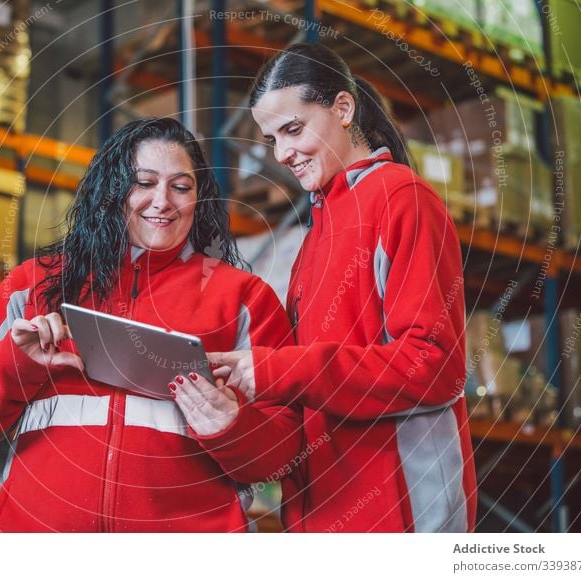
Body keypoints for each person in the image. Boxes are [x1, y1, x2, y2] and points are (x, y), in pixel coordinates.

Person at [0, 117, 301, 532]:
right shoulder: (33, 285)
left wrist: (232, 427)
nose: (162, 201)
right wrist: (16, 364)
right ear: (112, 190)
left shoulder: (243, 299)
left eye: (181, 187)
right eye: (143, 183)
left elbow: (285, 451)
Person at [209, 43, 477, 532]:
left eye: (293, 129)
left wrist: (278, 369)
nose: (283, 153)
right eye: (271, 139)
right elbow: (305, 385)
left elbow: (433, 364)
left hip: (400, 511)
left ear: (343, 108)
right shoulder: (314, 238)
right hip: (322, 510)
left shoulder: (403, 199)